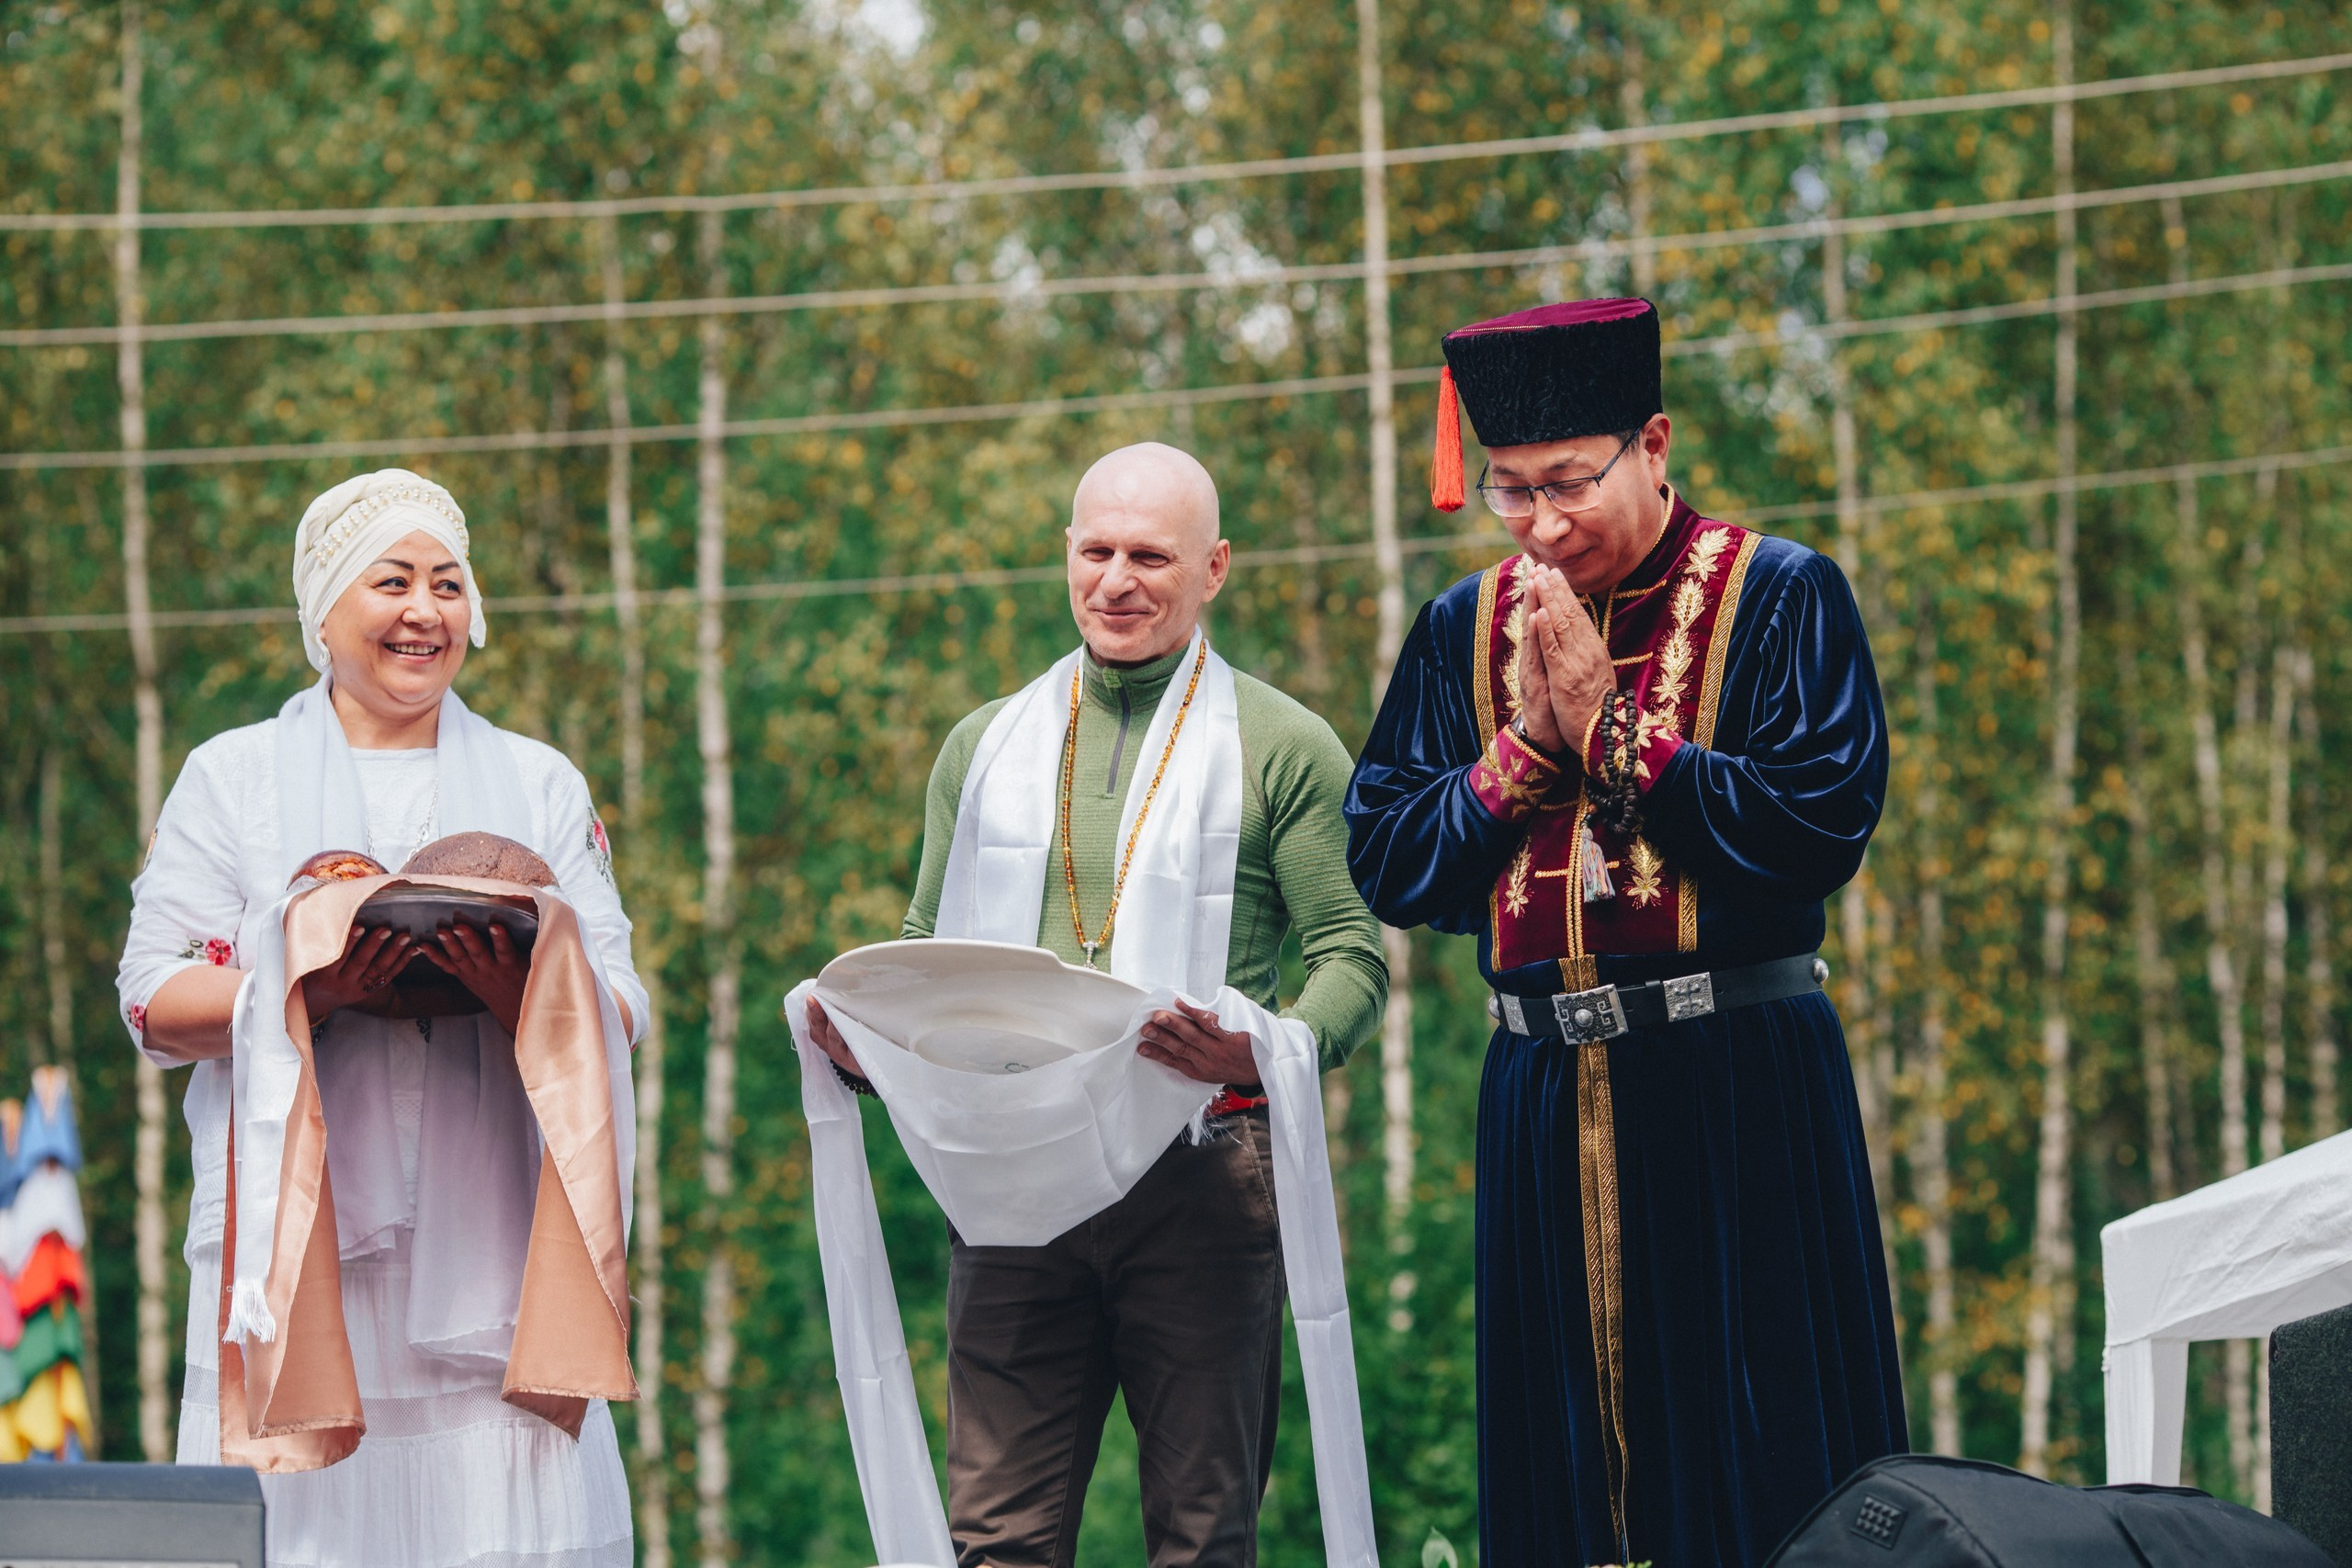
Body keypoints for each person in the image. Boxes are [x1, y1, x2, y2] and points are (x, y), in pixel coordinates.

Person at [1346, 299, 1905, 1567]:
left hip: (1737, 1084)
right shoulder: (1459, 629)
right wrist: (1525, 753)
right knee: (1563, 1477)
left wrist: (1620, 738)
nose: (1541, 524)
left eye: (1567, 485)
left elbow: (1820, 825)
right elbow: (1387, 855)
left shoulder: (1785, 594)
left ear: (1654, 443)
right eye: (1509, 492)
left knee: (1758, 1453)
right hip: (1541, 1090)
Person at [808, 441, 1386, 1568]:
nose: (1117, 580)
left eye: (1151, 556)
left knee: (1203, 1536)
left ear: (1214, 566)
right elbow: (929, 952)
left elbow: (1350, 958)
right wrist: (866, 1041)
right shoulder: (985, 745)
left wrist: (1259, 1053)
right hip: (1013, 1175)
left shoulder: (1282, 741)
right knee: (999, 1541)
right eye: (1096, 551)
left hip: (1202, 1169)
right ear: (1064, 556)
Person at [118, 468, 644, 1568]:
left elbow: (619, 999)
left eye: (448, 585)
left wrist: (523, 994)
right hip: (303, 1248)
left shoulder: (537, 781)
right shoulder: (234, 779)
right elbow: (153, 996)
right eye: (392, 581)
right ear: (323, 609)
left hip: (493, 1250)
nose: (424, 611)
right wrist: (307, 986)